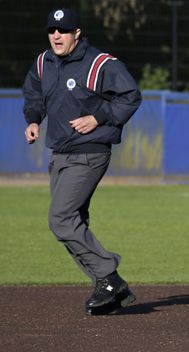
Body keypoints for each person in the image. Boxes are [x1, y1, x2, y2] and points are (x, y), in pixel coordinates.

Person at [22, 8, 141, 315]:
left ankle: (110, 277)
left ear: (77, 33)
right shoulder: (42, 63)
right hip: (59, 153)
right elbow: (33, 93)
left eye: (63, 30)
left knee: (60, 219)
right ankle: (110, 291)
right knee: (74, 222)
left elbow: (130, 96)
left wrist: (97, 117)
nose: (56, 35)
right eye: (52, 30)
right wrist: (34, 120)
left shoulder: (100, 64)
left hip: (90, 153)